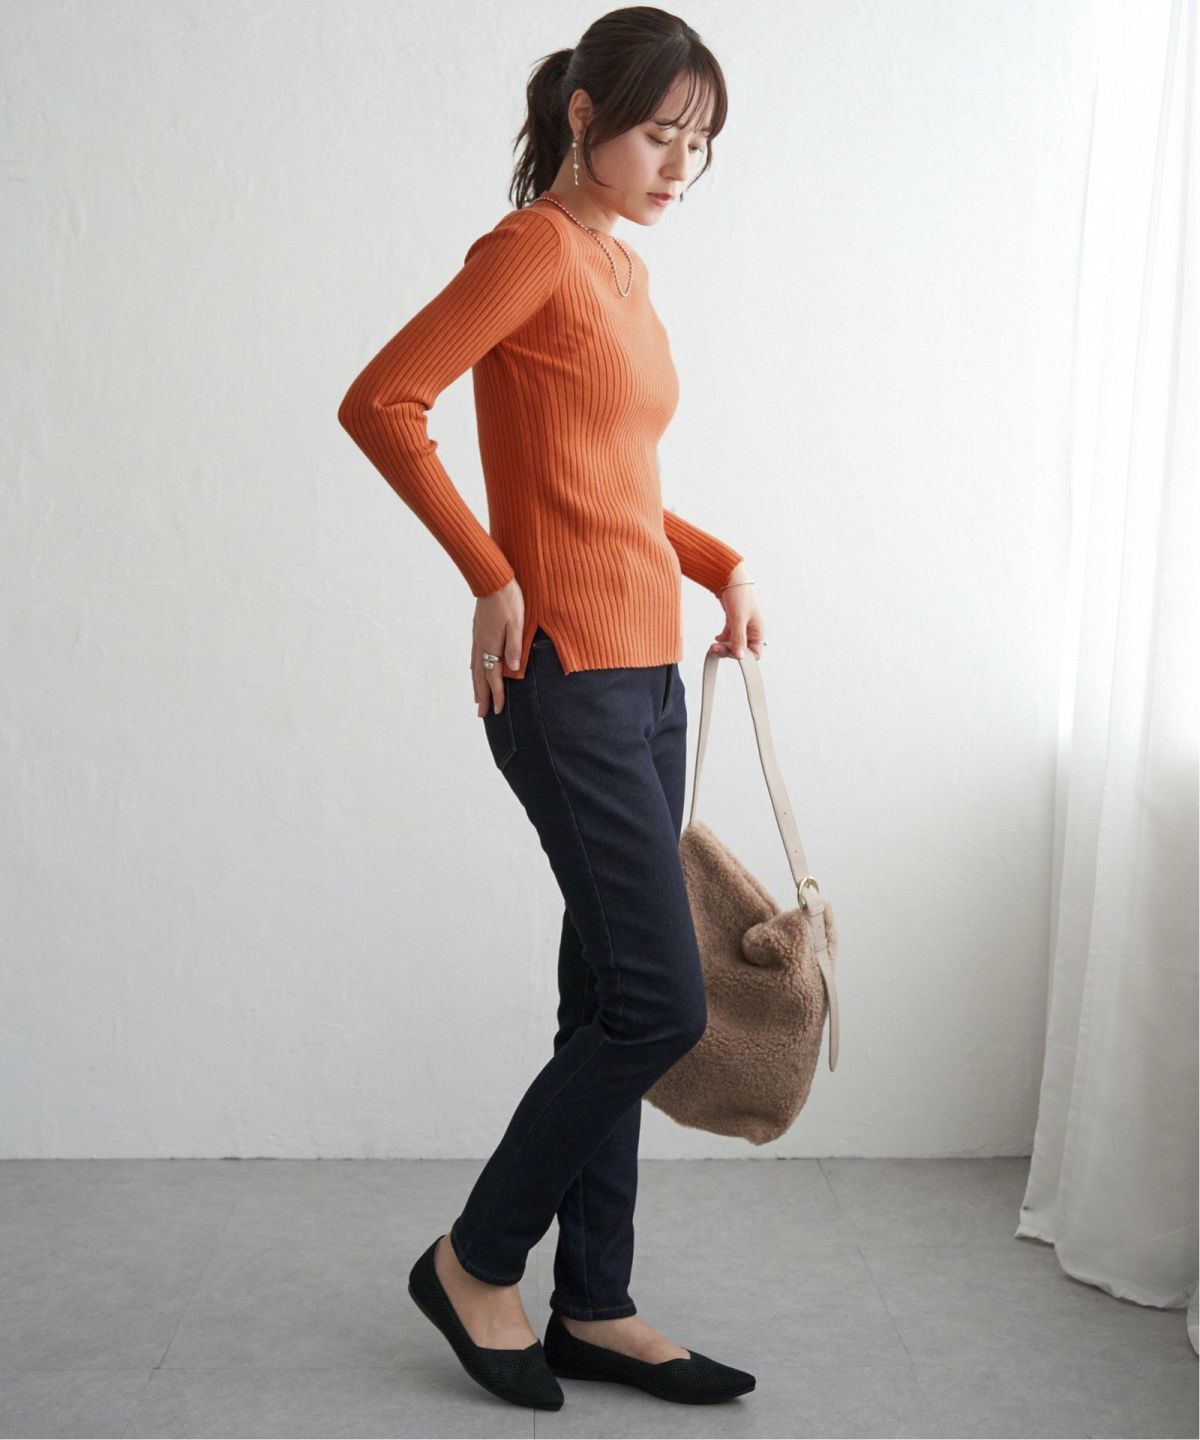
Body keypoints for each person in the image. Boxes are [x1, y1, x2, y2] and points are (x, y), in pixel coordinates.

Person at [338, 7, 765, 1411]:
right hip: (566, 678)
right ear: (584, 115)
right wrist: (489, 572)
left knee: (609, 996)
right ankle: (474, 1260)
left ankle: (596, 1304)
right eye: (660, 135)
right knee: (662, 1006)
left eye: (699, 146)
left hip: (646, 679)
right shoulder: (530, 249)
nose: (680, 169)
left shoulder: (622, 270)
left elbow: (611, 483)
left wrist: (719, 563)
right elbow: (384, 402)